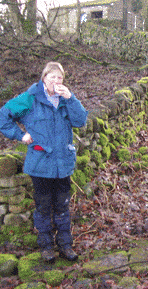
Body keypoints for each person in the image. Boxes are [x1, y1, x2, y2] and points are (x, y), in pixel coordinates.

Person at [0, 62, 88, 263]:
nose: (56, 81)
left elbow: (81, 120)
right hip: (40, 165)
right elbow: (3, 116)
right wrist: (20, 135)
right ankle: (46, 247)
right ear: (44, 77)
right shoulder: (30, 98)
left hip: (63, 164)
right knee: (43, 207)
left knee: (63, 206)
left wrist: (71, 98)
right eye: (52, 77)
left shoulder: (66, 99)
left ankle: (65, 245)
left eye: (60, 78)